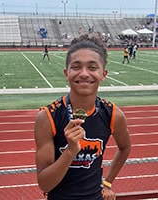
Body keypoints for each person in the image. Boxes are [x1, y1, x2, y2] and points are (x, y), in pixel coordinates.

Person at [34, 34, 131, 200]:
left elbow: (125, 148)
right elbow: (44, 184)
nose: (84, 73)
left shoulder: (113, 114)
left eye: (92, 68)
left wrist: (107, 183)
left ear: (103, 74)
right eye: (76, 67)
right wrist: (70, 151)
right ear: (67, 73)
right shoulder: (47, 117)